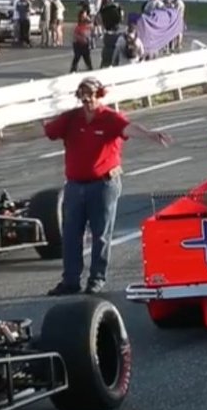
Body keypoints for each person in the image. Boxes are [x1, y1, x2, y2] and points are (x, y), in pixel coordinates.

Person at [42, 78, 172, 295]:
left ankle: (96, 278)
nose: (87, 100)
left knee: (100, 233)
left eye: (91, 95)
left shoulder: (110, 118)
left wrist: (150, 134)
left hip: (103, 185)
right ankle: (70, 280)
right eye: (83, 96)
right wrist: (6, 138)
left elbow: (129, 128)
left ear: (99, 95)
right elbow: (46, 131)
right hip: (75, 186)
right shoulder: (71, 119)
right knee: (71, 234)